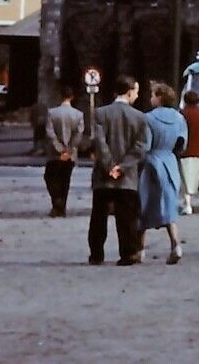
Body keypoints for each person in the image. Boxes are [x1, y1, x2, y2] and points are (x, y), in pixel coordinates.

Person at [88, 75, 150, 266]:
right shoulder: (140, 117)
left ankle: (97, 253)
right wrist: (122, 167)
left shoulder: (99, 113)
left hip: (103, 176)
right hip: (127, 177)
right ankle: (128, 253)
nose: (137, 95)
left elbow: (99, 142)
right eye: (136, 91)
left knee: (99, 217)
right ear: (130, 91)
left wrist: (109, 165)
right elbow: (141, 147)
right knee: (127, 218)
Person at [139, 83, 188, 265]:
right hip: (169, 161)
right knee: (169, 204)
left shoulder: (148, 118)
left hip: (152, 161)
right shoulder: (179, 118)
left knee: (145, 205)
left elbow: (145, 144)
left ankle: (140, 249)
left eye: (152, 95)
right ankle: (175, 244)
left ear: (159, 97)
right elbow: (182, 144)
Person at [45, 85, 84, 217]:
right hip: (70, 154)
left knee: (50, 177)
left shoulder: (52, 113)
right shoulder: (78, 115)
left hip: (54, 155)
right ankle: (62, 207)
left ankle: (57, 203)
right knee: (65, 180)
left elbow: (50, 133)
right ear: (72, 97)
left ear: (60, 96)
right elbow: (78, 135)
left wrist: (59, 149)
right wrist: (69, 150)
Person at [178, 91, 199, 216]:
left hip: (185, 150)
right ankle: (189, 201)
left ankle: (187, 203)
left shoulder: (182, 114)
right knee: (194, 177)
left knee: (184, 177)